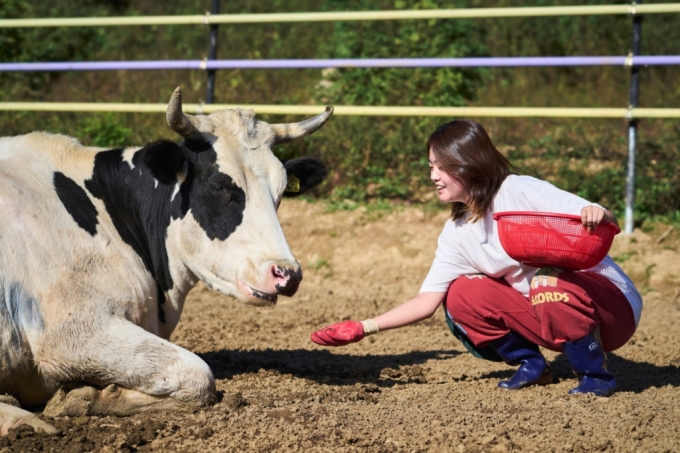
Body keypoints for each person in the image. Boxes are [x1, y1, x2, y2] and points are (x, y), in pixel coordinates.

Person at [311, 120, 642, 397]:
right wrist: (365, 327)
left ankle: (597, 377)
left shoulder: (519, 190)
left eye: (442, 167)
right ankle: (532, 365)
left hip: (610, 308)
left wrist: (598, 212)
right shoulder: (457, 232)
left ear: (468, 163)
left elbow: (602, 219)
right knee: (460, 295)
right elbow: (427, 301)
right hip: (550, 314)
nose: (433, 177)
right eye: (431, 167)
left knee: (545, 280)